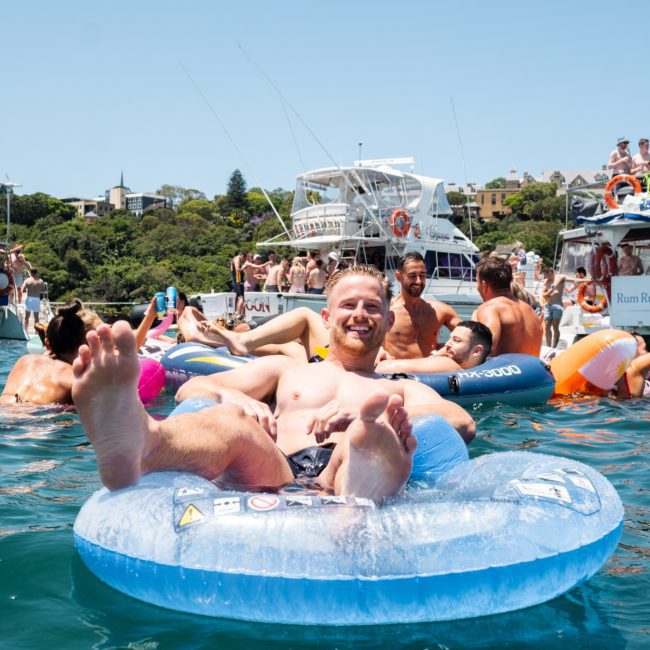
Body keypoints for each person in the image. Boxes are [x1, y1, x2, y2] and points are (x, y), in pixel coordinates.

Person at [71, 266, 475, 499]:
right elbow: (192, 390)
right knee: (231, 421)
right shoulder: (288, 370)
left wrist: (375, 412)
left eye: (372, 307)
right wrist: (233, 397)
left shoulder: (395, 385)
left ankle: (360, 479)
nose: (361, 314)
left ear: (388, 321)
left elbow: (460, 420)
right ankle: (141, 444)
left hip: (346, 465)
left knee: (363, 436)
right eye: (348, 305)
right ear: (328, 318)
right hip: (276, 469)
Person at [1, 301, 87, 405]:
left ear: (46, 343)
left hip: (4, 407)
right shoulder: (73, 378)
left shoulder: (24, 360)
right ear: (82, 345)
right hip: (32, 417)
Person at [382, 252, 461, 360]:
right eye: (412, 276)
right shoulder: (385, 311)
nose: (418, 281)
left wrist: (443, 350)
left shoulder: (441, 311)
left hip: (431, 372)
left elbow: (469, 336)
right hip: (397, 373)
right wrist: (379, 351)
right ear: (398, 277)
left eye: (422, 275)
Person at [472, 256, 543, 356]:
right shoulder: (530, 311)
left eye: (477, 282)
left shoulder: (490, 308)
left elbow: (484, 349)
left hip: (507, 370)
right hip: (534, 370)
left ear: (484, 285)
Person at [375, 320, 492, 375]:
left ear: (477, 351)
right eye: (450, 338)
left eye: (456, 340)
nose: (447, 344)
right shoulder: (480, 370)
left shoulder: (451, 365)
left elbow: (384, 368)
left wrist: (385, 359)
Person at [614, 333, 650, 399]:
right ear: (632, 351)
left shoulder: (610, 374)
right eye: (644, 348)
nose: (647, 352)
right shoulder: (634, 370)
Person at [230, 252, 246, 316]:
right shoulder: (237, 259)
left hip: (235, 281)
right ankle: (237, 313)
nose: (243, 260)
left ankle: (236, 312)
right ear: (242, 256)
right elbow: (237, 269)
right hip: (238, 281)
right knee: (241, 298)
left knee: (237, 297)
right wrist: (243, 267)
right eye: (243, 258)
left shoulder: (234, 259)